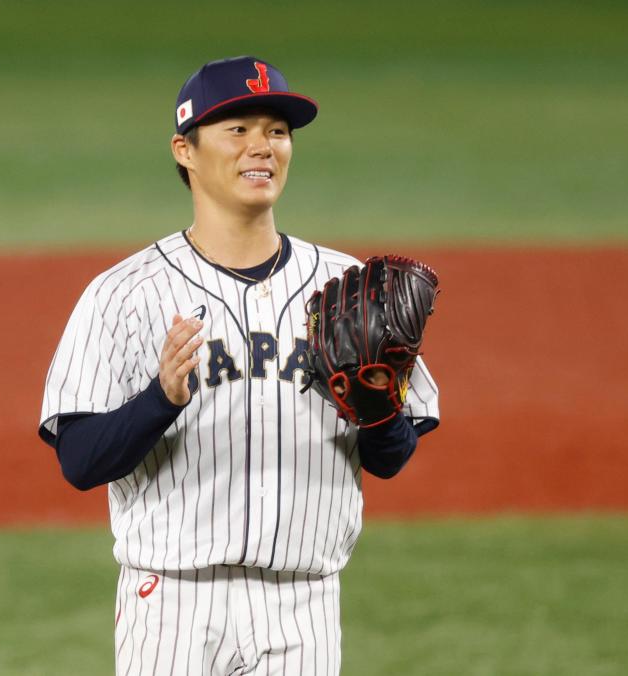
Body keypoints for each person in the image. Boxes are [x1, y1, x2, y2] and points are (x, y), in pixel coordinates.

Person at [38, 56, 440, 676]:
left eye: (277, 131)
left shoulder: (344, 286)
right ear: (185, 150)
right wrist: (160, 400)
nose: (263, 147)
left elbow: (393, 459)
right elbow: (80, 461)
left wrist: (377, 405)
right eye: (237, 129)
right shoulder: (125, 294)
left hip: (303, 605)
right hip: (170, 603)